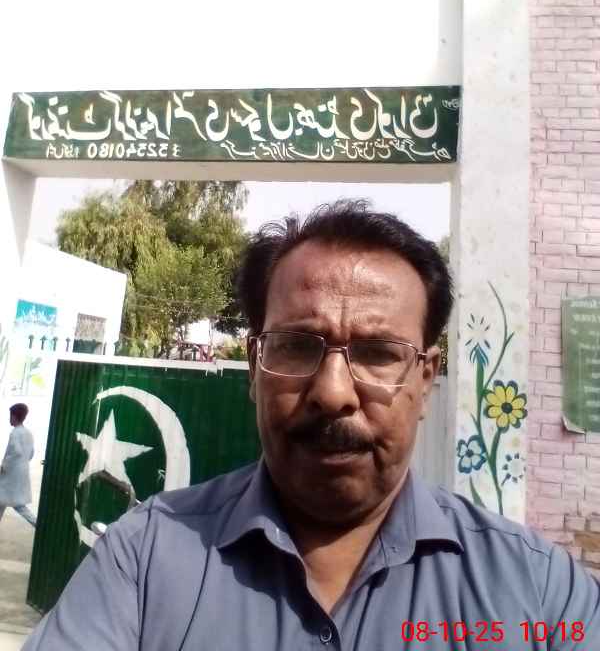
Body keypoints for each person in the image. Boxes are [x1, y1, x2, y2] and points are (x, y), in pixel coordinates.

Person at [24, 201, 600, 649]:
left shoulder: (540, 594)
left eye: (378, 353)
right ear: (254, 369)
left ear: (425, 380)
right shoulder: (144, 560)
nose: (332, 393)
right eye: (298, 346)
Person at [0, 402, 36, 527]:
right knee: (10, 502)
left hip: (11, 475)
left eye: (10, 416)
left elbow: (15, 452)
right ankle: (38, 524)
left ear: (14, 416)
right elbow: (31, 454)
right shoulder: (28, 433)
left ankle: (39, 525)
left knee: (14, 503)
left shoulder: (15, 433)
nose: (9, 419)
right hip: (21, 473)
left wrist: (4, 467)